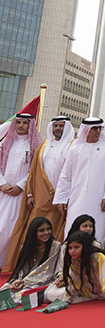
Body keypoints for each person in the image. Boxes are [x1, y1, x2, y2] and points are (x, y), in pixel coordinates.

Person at [3, 116, 73, 273]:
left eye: (61, 126)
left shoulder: (72, 146)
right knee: (34, 231)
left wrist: (66, 197)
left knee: (54, 234)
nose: (58, 129)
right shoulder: (43, 146)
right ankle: (27, 267)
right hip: (40, 198)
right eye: (55, 125)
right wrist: (29, 195)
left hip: (60, 200)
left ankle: (50, 269)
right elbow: (33, 173)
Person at [53, 117, 105, 247]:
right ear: (86, 129)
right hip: (76, 198)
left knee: (97, 231)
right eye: (94, 128)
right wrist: (61, 198)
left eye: (100, 128)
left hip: (99, 201)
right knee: (73, 227)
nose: (98, 131)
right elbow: (66, 175)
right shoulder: (75, 148)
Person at [0, 114, 42, 266]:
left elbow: (35, 169)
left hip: (21, 194)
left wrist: (20, 186)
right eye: (18, 123)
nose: (21, 126)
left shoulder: (36, 145)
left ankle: (6, 263)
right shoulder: (6, 142)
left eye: (25, 123)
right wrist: (2, 183)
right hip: (3, 192)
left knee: (11, 231)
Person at [44, 231, 105, 304]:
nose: (72, 251)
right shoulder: (74, 260)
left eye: (76, 247)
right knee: (50, 294)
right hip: (88, 292)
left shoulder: (97, 257)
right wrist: (66, 284)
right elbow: (72, 280)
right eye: (70, 248)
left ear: (85, 247)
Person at [0, 216, 62, 304]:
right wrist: (17, 280)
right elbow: (22, 268)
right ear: (33, 232)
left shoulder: (55, 245)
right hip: (25, 279)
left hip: (44, 281)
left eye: (48, 229)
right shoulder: (25, 247)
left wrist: (25, 281)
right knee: (6, 288)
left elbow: (47, 270)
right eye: (41, 230)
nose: (46, 232)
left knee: (23, 294)